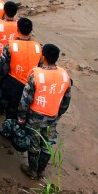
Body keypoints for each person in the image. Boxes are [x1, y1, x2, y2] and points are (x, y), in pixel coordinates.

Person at [17, 43, 72, 181]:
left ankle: (32, 170)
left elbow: (25, 99)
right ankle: (41, 171)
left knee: (34, 144)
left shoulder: (36, 74)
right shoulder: (65, 76)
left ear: (43, 57)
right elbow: (66, 99)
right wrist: (60, 114)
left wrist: (21, 116)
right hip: (52, 116)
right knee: (47, 144)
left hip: (35, 115)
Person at [0, 17, 41, 140]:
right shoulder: (38, 47)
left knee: (11, 111)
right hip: (31, 85)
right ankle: (20, 131)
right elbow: (40, 67)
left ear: (17, 30)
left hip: (13, 84)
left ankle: (9, 132)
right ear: (31, 30)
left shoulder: (10, 46)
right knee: (24, 110)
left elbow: (3, 67)